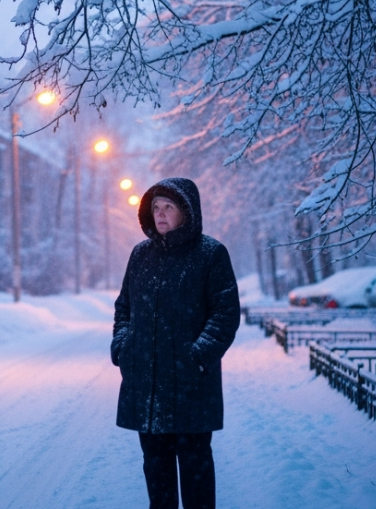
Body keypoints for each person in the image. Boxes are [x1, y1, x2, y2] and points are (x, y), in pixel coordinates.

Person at [111, 177, 240, 509]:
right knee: (157, 476)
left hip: (191, 389)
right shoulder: (141, 255)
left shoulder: (210, 254)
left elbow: (225, 314)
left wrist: (197, 357)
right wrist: (123, 347)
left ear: (187, 211)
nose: (161, 214)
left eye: (169, 206)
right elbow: (124, 307)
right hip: (147, 386)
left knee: (196, 475)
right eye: (156, 207)